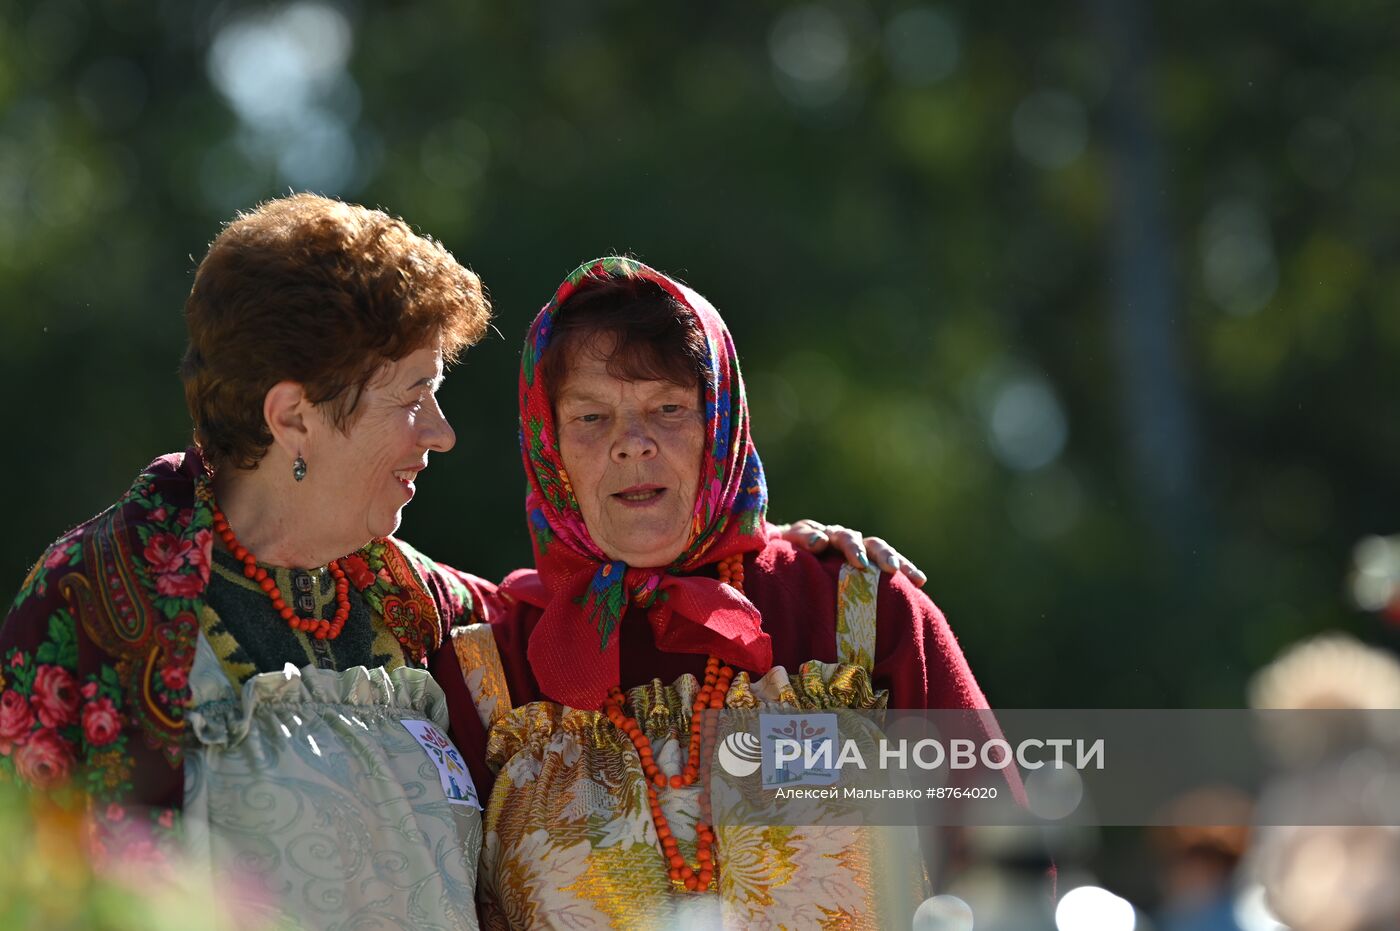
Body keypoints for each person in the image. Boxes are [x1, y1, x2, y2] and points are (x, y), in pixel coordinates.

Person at [0, 197, 913, 927]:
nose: (440, 432)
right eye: (413, 398)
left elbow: (620, 585)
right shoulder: (102, 600)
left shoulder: (416, 606)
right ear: (293, 418)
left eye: (671, 411)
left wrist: (797, 558)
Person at [455, 256, 998, 929]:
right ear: (549, 445)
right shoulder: (493, 662)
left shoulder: (859, 612)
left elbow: (1000, 865)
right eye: (592, 417)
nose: (632, 443)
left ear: (721, 423)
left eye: (668, 408)